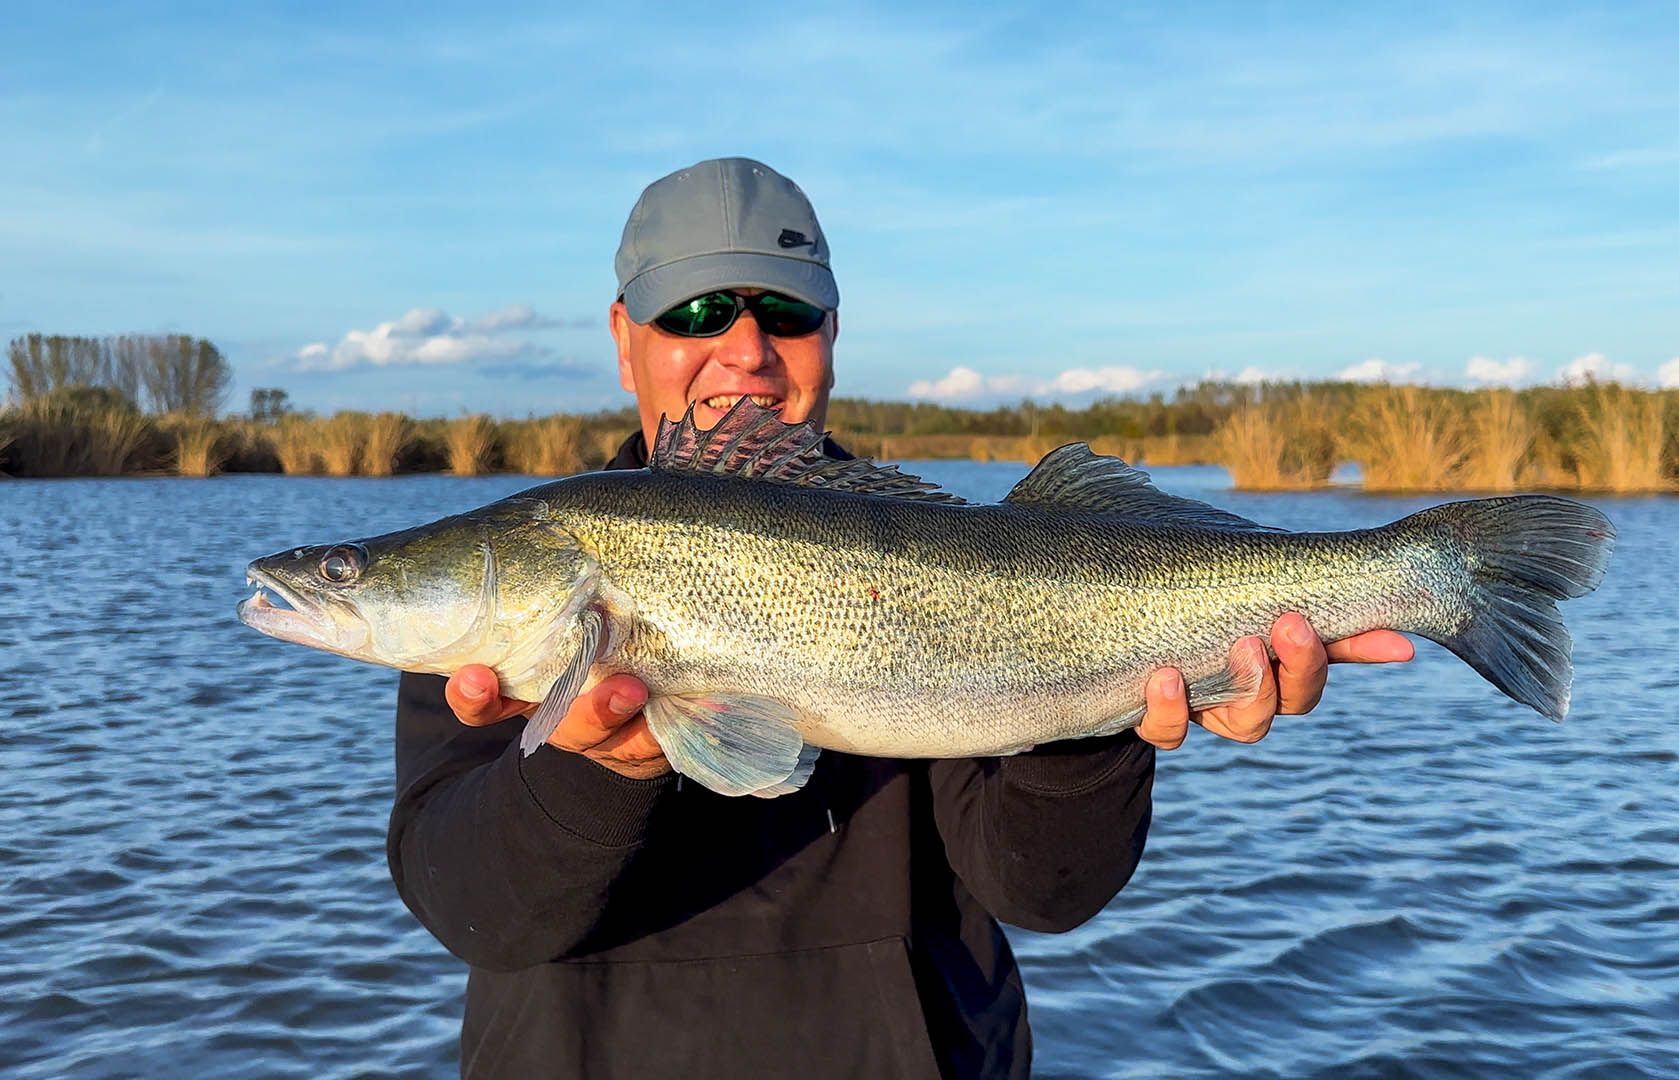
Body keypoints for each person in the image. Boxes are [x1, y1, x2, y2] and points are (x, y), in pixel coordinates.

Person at [387, 157, 1413, 1078]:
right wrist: (589, 772)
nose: (745, 348)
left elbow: (1044, 892)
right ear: (624, 339)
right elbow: (472, 910)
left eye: (784, 313)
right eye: (697, 313)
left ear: (831, 335)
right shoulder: (508, 607)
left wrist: (1098, 712)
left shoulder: (929, 539)